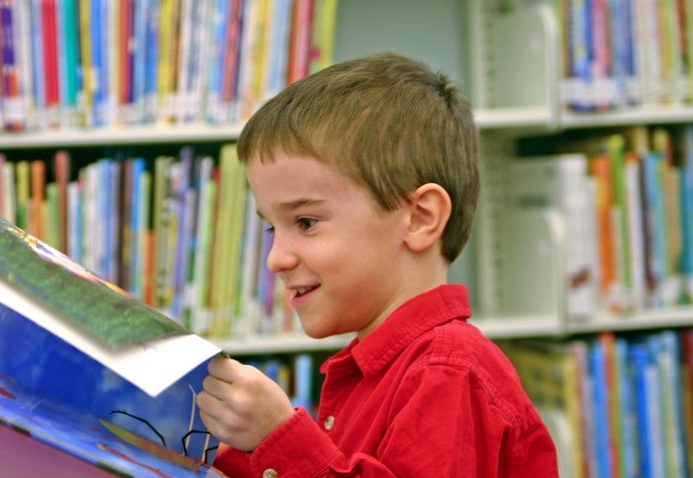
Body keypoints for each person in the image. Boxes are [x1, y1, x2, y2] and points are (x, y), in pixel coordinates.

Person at [196, 52, 559, 478]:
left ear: (421, 218)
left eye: (306, 222)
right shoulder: (379, 368)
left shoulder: (448, 370)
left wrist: (278, 438)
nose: (276, 258)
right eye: (271, 229)